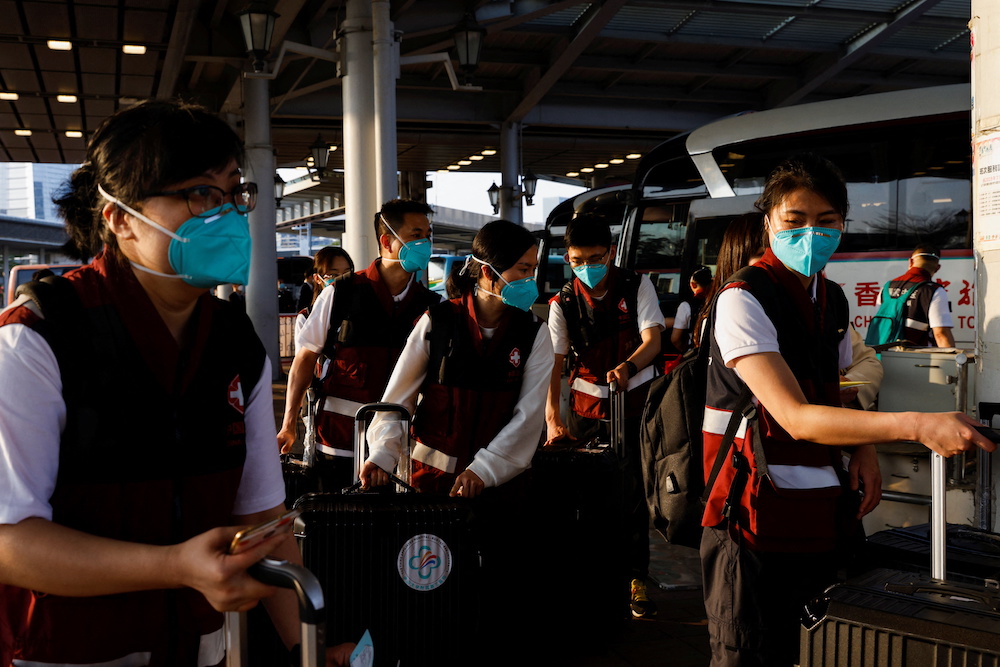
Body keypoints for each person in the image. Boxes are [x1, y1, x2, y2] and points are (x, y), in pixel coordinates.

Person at [0, 100, 353, 666]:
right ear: (118, 217)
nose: (228, 217)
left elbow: (260, 516)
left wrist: (307, 645)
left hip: (198, 650)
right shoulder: (39, 339)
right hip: (62, 652)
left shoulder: (236, 345)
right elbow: (8, 541)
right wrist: (173, 566)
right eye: (199, 194)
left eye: (234, 193)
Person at [700, 153, 995, 667]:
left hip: (821, 512)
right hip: (750, 519)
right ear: (767, 221)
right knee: (751, 653)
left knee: (822, 650)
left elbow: (839, 387)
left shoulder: (830, 298)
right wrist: (917, 425)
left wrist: (862, 446)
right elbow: (793, 415)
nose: (811, 234)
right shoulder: (742, 298)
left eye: (827, 222)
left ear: (843, 225)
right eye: (795, 221)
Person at [359, 219, 553, 498]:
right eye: (523, 269)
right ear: (488, 271)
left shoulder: (535, 333)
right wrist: (381, 456)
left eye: (533, 269)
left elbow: (529, 417)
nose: (530, 280)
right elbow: (397, 400)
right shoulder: (438, 322)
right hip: (430, 485)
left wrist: (484, 470)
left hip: (500, 487)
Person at [543, 212, 665, 619]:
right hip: (584, 412)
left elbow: (652, 339)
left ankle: (635, 580)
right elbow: (554, 363)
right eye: (578, 260)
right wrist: (552, 420)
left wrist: (628, 366)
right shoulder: (562, 300)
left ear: (611, 253)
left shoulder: (636, 284)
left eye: (596, 258)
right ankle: (591, 580)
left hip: (633, 409)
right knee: (585, 496)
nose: (587, 268)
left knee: (631, 496)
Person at [279, 199, 440, 492]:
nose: (425, 243)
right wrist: (289, 422)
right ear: (387, 240)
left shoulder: (432, 307)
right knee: (337, 531)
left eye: (428, 235)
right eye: (416, 235)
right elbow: (305, 359)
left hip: (399, 450)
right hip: (337, 445)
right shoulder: (341, 292)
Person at [877, 243, 955, 347]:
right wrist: (952, 361)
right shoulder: (933, 291)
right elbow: (941, 334)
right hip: (917, 358)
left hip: (884, 355)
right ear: (937, 268)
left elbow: (880, 323)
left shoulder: (886, 288)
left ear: (911, 262)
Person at [293, 246, 355, 348]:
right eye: (333, 275)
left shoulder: (366, 307)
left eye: (347, 273)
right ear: (317, 278)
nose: (341, 279)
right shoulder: (306, 317)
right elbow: (305, 360)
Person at [671, 265, 712, 353]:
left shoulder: (686, 306)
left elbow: (675, 339)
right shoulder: (719, 299)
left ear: (692, 284)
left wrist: (686, 352)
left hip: (696, 354)